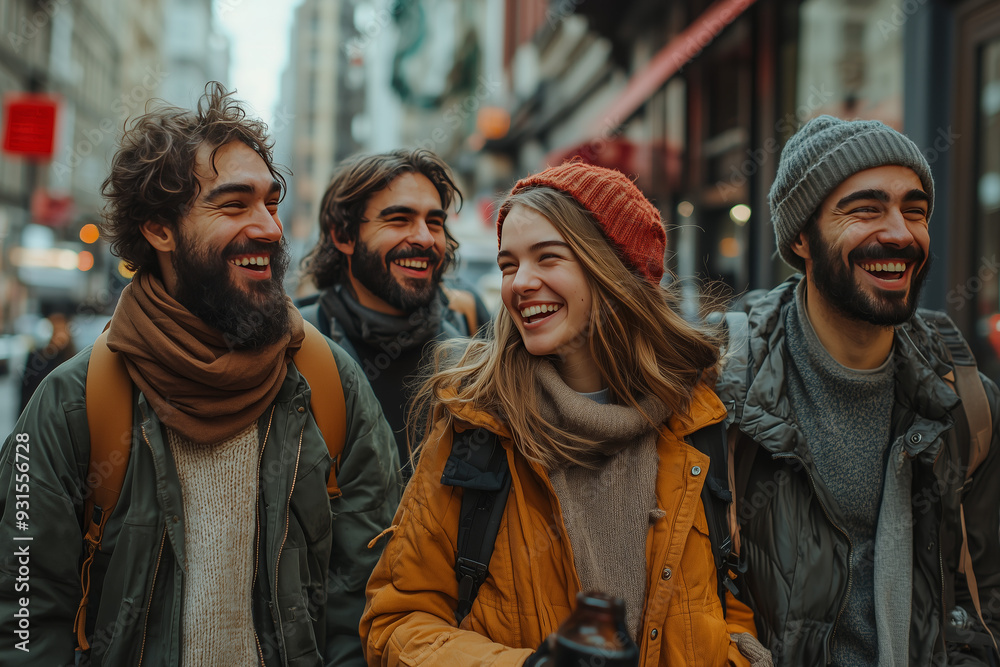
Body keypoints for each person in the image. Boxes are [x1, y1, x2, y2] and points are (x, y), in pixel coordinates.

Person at [0, 83, 400, 666]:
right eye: (234, 205)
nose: (270, 228)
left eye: (271, 203)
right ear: (159, 230)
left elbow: (371, 602)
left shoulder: (330, 384)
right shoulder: (72, 404)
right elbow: (24, 620)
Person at [360, 162, 771, 666]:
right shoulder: (476, 426)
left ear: (614, 271)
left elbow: (728, 604)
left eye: (547, 257)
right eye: (508, 265)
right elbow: (396, 622)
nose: (519, 283)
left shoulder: (701, 421)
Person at [717, 115, 1000, 665]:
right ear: (801, 238)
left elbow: (985, 597)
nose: (900, 234)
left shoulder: (968, 403)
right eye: (866, 209)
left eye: (914, 211)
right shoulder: (724, 389)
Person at [297, 149, 491, 473]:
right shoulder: (298, 346)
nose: (425, 238)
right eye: (399, 219)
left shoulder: (472, 332)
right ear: (343, 235)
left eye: (435, 222)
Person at [19, 302, 78, 414]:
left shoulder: (75, 359)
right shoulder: (36, 358)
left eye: (60, 328)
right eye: (54, 328)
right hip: (37, 415)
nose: (57, 334)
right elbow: (25, 395)